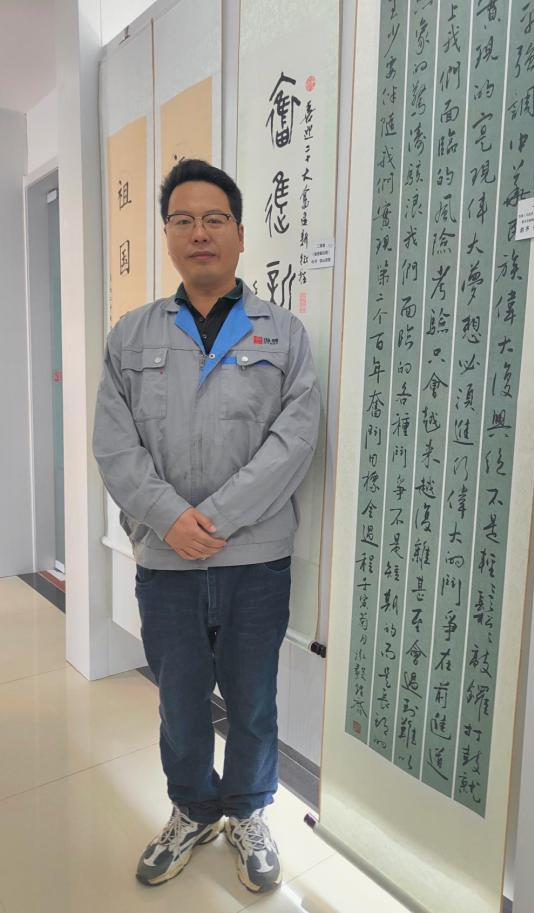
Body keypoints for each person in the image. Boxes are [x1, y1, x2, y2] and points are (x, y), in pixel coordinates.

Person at [92, 159, 321, 893]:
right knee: (180, 699)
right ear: (166, 235)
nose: (200, 232)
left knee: (253, 700)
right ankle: (193, 808)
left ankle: (248, 812)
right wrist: (169, 519)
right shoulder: (131, 335)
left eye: (215, 218)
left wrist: (212, 520)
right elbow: (114, 444)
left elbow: (295, 440)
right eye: (184, 219)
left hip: (255, 560)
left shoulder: (283, 334)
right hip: (166, 562)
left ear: (240, 234)